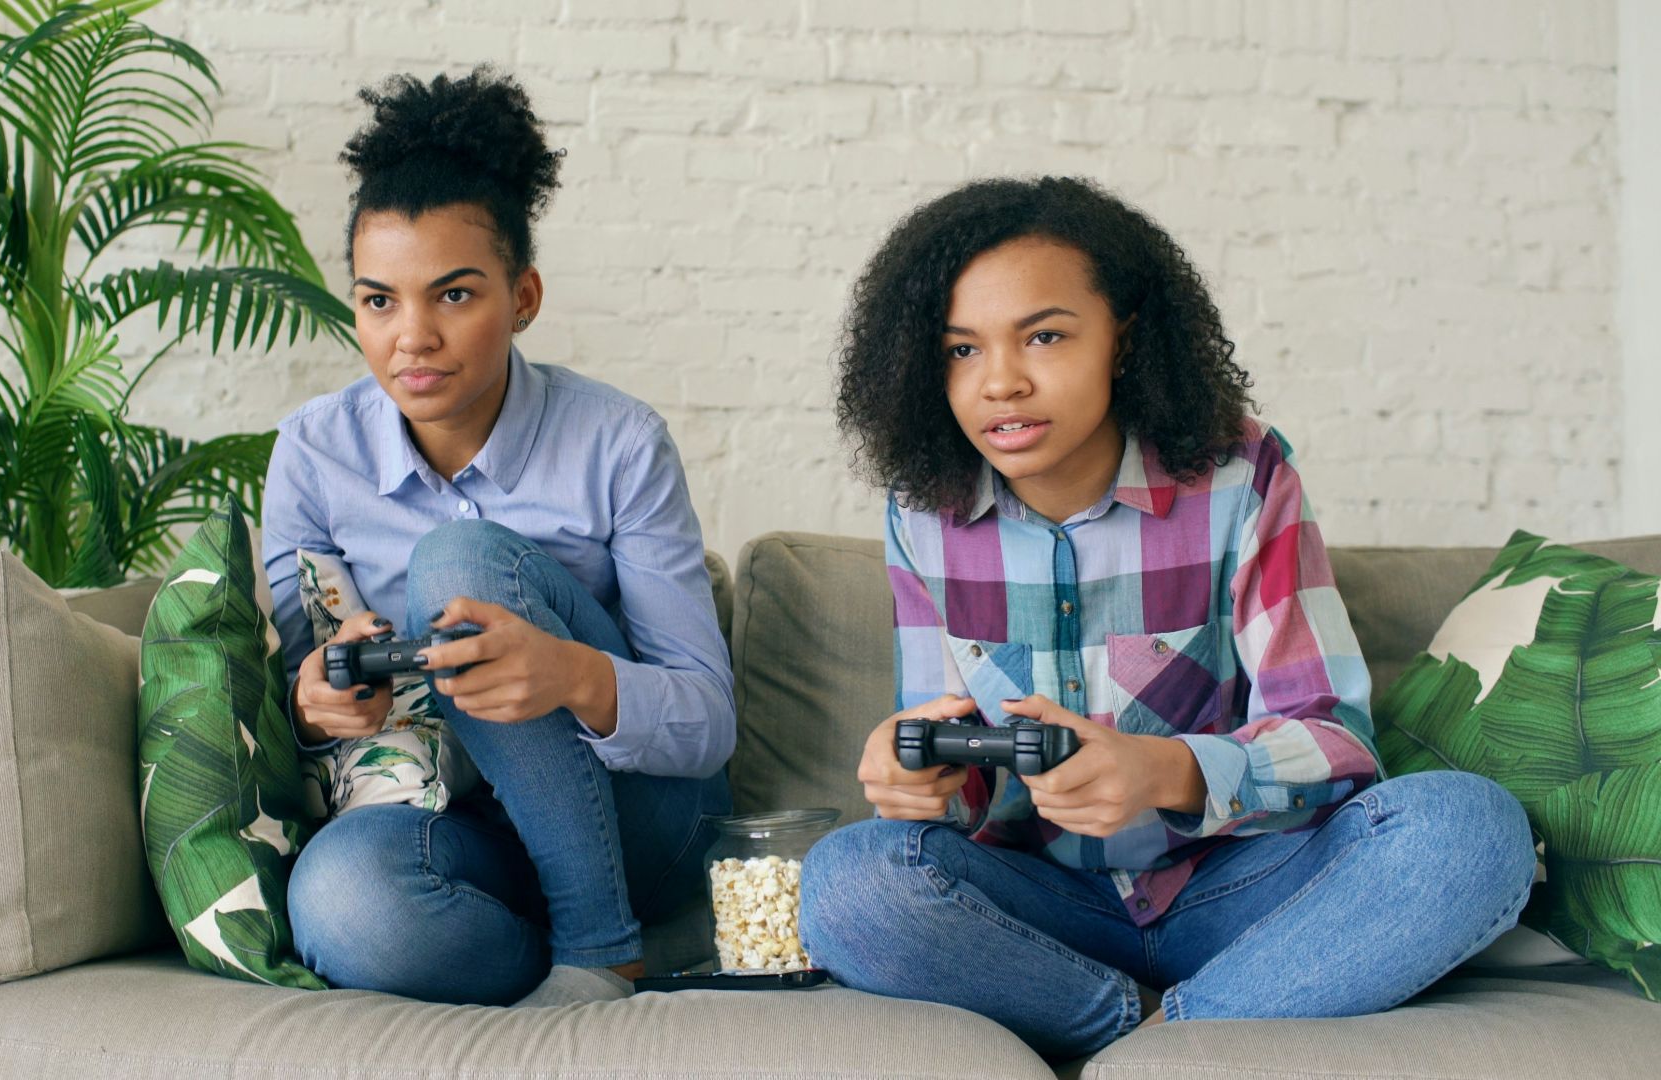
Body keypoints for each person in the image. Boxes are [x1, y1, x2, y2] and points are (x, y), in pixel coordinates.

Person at [798, 176, 1534, 1058]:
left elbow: (1337, 742)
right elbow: (965, 784)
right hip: (1050, 915)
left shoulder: (1240, 475)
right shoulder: (924, 513)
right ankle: (1156, 1031)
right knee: (850, 880)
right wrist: (921, 781)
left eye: (1044, 336)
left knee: (1468, 829)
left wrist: (1166, 771)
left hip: (1246, 888)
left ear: (1124, 339)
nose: (1001, 382)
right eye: (961, 350)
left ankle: (1163, 1049)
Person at [262, 67, 732, 1007]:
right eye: (379, 301)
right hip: (465, 824)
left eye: (455, 295)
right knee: (343, 903)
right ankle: (541, 956)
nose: (413, 338)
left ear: (523, 297)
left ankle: (602, 946)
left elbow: (708, 724)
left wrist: (570, 676)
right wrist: (321, 699)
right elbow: (298, 680)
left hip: (639, 820)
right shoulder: (314, 452)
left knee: (458, 559)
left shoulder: (617, 442)